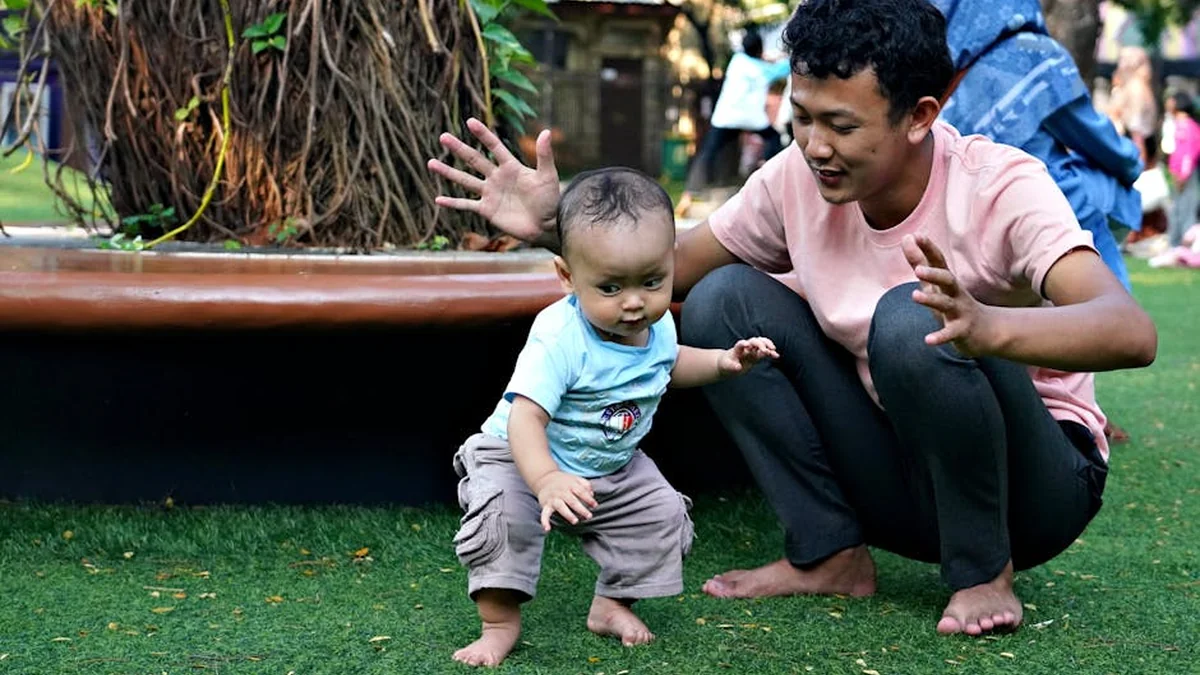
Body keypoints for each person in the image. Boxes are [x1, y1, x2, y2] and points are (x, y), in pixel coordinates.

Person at [428, 0, 1157, 637]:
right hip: (903, 474)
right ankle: (831, 550)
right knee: (722, 301)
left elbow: (1129, 329)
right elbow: (669, 267)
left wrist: (989, 328)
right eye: (802, 117)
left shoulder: (1000, 186)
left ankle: (982, 572)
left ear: (920, 117)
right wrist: (558, 225)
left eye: (840, 125)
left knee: (911, 317)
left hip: (1034, 491)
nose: (814, 145)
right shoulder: (793, 180)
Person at [448, 167, 779, 667]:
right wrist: (546, 480)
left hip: (609, 463)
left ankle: (611, 604)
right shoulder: (560, 337)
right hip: (521, 459)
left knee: (661, 514)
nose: (634, 303)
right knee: (503, 522)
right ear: (567, 277)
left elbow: (668, 365)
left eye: (652, 281)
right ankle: (499, 623)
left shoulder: (657, 322)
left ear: (670, 262)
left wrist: (722, 362)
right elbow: (524, 419)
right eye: (609, 288)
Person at [933, 0, 1143, 443]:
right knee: (1090, 209)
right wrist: (1129, 166)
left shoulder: (932, 62)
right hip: (1039, 208)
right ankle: (1081, 404)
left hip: (957, 209)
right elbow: (1092, 136)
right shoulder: (1033, 53)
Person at [675, 31, 790, 217]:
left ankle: (691, 192)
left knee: (708, 152)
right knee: (774, 139)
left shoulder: (737, 61)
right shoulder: (762, 69)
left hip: (726, 117)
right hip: (752, 118)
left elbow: (758, 61)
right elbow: (782, 69)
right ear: (759, 50)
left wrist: (767, 58)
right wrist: (785, 58)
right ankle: (769, 171)